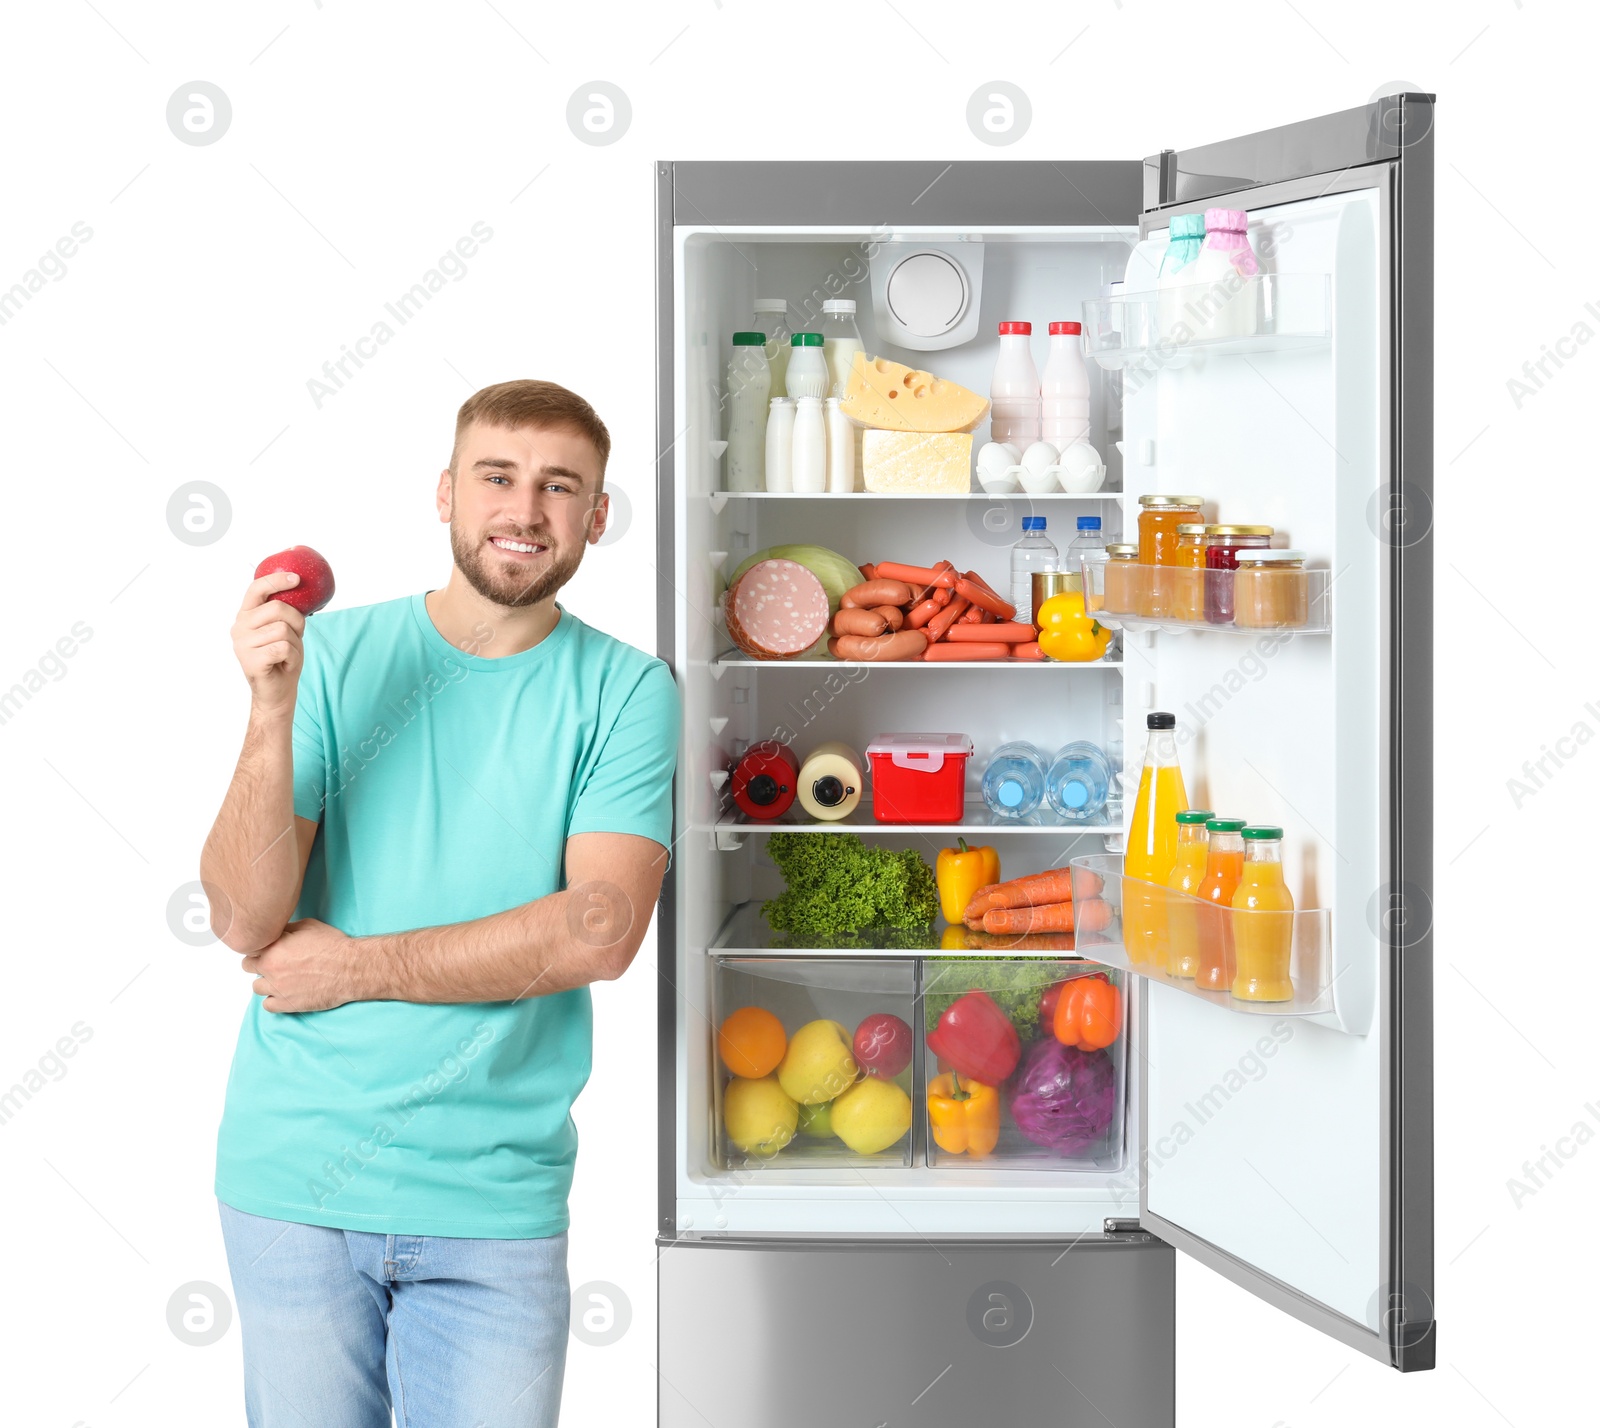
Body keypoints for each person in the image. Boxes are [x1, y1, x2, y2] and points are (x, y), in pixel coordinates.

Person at [200, 379, 680, 1428]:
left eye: (561, 487)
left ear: (598, 516)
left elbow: (599, 932)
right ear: (445, 494)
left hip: (494, 1198)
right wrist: (269, 710)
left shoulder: (628, 691)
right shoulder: (333, 656)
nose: (524, 511)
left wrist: (357, 967)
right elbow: (243, 919)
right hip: (297, 1180)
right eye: (497, 477)